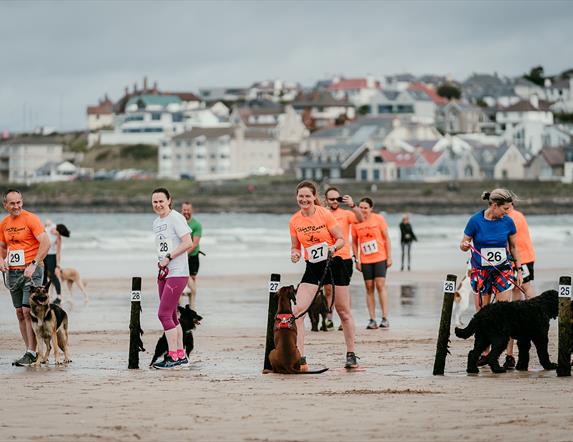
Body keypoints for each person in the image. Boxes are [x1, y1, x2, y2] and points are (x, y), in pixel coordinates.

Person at [289, 181, 359, 369]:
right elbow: (295, 246)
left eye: (307, 196)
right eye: (300, 196)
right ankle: (300, 357)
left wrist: (332, 247)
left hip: (334, 263)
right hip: (312, 266)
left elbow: (341, 240)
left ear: (313, 198)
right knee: (298, 311)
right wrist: (295, 254)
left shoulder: (324, 214)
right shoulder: (294, 220)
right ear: (297, 197)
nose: (304, 199)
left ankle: (351, 353)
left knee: (343, 311)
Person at [460, 188, 522, 367]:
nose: (507, 212)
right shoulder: (475, 221)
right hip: (481, 271)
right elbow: (463, 244)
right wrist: (465, 245)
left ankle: (509, 355)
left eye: (509, 209)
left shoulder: (508, 222)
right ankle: (484, 353)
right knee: (483, 313)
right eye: (505, 209)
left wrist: (519, 270)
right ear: (494, 205)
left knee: (505, 313)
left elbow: (514, 248)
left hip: (502, 270)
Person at [0, 189, 50, 366]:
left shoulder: (30, 218)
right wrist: (1, 260)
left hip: (32, 271)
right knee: (20, 312)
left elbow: (46, 242)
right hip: (12, 273)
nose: (16, 206)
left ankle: (32, 352)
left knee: (28, 311)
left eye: (19, 202)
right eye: (12, 203)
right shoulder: (4, 223)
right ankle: (29, 350)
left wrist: (34, 264)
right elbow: (3, 247)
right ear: (5, 205)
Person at [151, 188, 194, 369]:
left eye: (161, 201)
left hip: (178, 273)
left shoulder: (176, 217)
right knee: (171, 316)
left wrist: (169, 257)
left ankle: (173, 358)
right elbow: (163, 247)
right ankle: (179, 355)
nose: (158, 205)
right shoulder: (156, 222)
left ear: (169, 200)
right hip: (165, 273)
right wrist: (162, 263)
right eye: (155, 202)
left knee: (163, 314)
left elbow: (188, 242)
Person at [323, 186, 363, 330]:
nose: (334, 201)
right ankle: (328, 318)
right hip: (326, 257)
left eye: (337, 199)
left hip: (344, 257)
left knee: (344, 290)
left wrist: (353, 205)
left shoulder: (346, 213)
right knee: (327, 289)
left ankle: (345, 320)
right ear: (326, 200)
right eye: (331, 199)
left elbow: (361, 218)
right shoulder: (322, 213)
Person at [504, 202, 536, 369]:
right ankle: (528, 308)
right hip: (526, 256)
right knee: (519, 290)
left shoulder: (512, 217)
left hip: (521, 258)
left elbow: (511, 241)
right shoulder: (518, 215)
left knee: (525, 287)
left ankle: (537, 309)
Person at [352, 198, 392, 329]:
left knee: (380, 285)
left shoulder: (378, 219)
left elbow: (387, 238)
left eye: (365, 207)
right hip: (365, 260)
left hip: (380, 257)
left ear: (371, 208)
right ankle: (372, 319)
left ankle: (385, 317)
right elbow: (354, 242)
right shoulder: (355, 222)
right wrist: (356, 259)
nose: (363, 210)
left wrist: (389, 257)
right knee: (369, 287)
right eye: (361, 207)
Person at [42, 221, 70, 305]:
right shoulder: (51, 225)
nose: (56, 234)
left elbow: (58, 253)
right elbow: (45, 222)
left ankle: (59, 297)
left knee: (52, 275)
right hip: (43, 254)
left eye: (58, 234)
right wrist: (46, 224)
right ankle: (43, 295)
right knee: (43, 275)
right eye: (57, 232)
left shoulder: (58, 238)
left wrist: (57, 265)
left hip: (51, 256)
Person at [181, 201, 202, 309]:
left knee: (192, 278)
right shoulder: (179, 222)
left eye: (188, 210)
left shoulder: (196, 225)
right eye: (184, 210)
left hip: (192, 256)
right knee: (179, 278)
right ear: (182, 210)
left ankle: (192, 305)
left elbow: (195, 244)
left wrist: (184, 254)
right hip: (181, 256)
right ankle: (179, 306)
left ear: (191, 210)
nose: (186, 212)